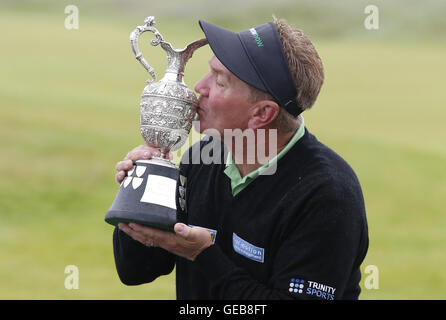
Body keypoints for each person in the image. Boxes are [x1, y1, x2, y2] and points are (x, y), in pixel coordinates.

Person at [112, 17, 369, 300]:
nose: (200, 87)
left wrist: (203, 254)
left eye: (220, 81)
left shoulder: (327, 195)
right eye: (209, 72)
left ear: (262, 114)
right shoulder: (201, 159)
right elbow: (136, 271)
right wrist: (143, 187)